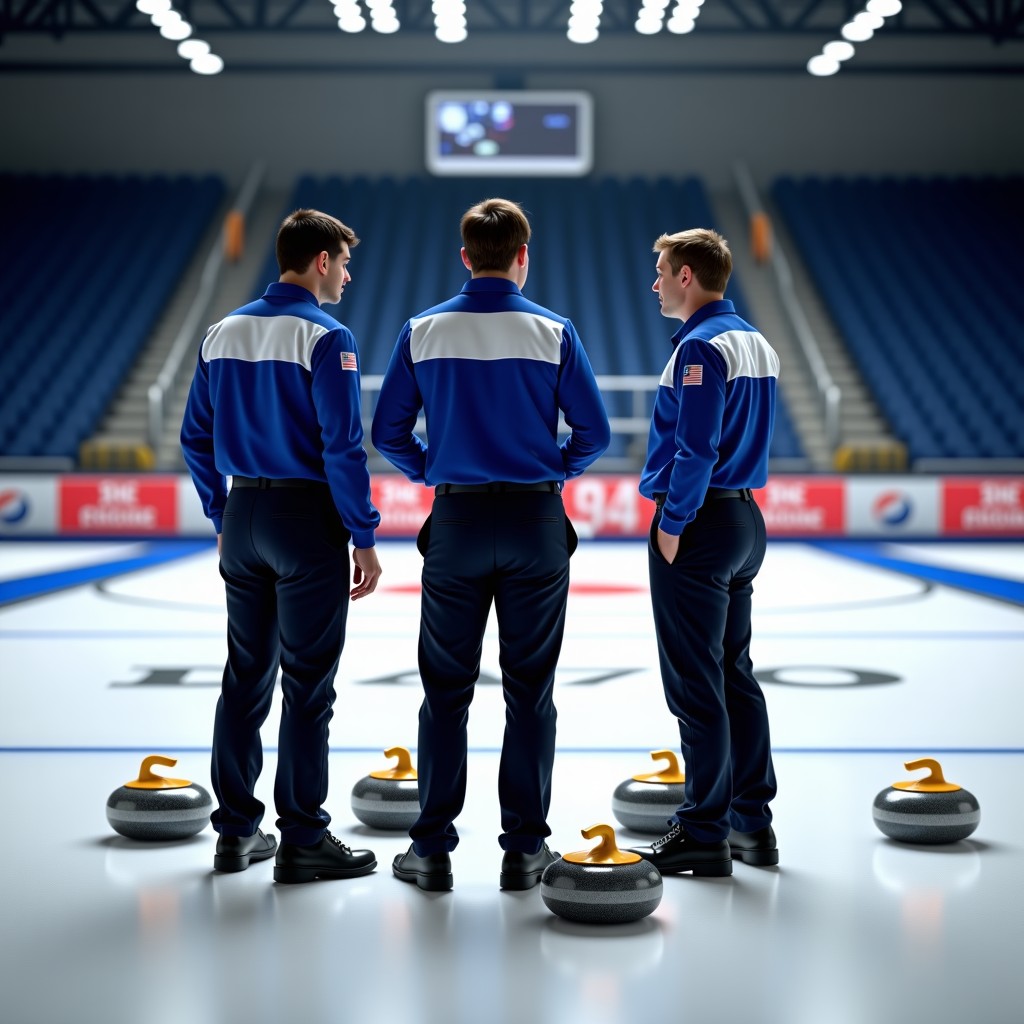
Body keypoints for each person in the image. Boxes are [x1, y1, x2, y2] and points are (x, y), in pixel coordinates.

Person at [371, 197, 610, 892]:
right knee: (530, 694)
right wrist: (548, 474)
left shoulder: (423, 330)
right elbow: (593, 435)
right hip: (536, 524)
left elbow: (388, 434)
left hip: (457, 523)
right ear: (523, 257)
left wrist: (436, 469)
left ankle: (432, 851)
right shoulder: (554, 331)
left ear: (466, 256)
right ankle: (526, 850)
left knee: (445, 694)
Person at [180, 208, 382, 883]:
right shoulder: (327, 337)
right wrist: (364, 534)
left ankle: (235, 834)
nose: (348, 276)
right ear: (320, 260)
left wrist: (221, 511)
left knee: (244, 676)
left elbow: (194, 438)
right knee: (307, 686)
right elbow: (342, 446)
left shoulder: (220, 332)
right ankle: (302, 839)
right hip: (306, 520)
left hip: (244, 512)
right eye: (344, 263)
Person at [629, 228, 780, 877]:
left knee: (696, 683)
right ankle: (752, 824)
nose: (656, 282)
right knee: (734, 675)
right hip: (745, 519)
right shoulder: (757, 341)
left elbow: (697, 447)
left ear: (687, 275)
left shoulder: (699, 347)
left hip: (701, 524)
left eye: (662, 271)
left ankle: (704, 831)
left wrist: (673, 523)